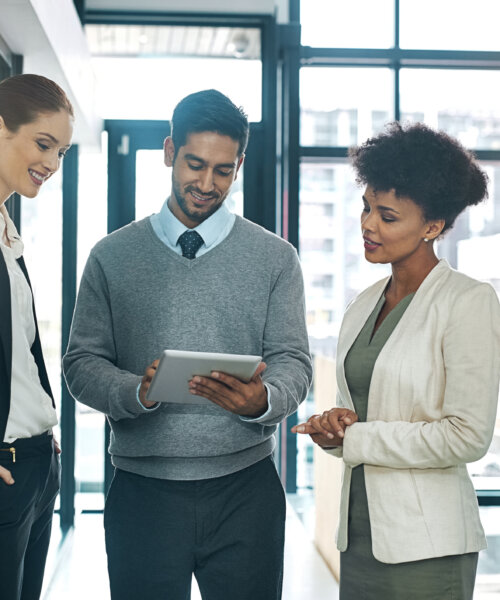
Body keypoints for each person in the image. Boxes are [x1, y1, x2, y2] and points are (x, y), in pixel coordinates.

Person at [63, 89, 312, 600]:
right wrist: (138, 393)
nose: (205, 184)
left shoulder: (275, 258)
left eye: (223, 170)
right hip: (143, 491)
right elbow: (81, 363)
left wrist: (263, 401)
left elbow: (293, 361)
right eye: (195, 164)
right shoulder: (112, 256)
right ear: (169, 150)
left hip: (246, 489)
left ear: (240, 164)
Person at [293, 122, 500, 600]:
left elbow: (468, 436)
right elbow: (359, 416)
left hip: (427, 545)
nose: (367, 225)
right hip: (360, 536)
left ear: (432, 227)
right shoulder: (362, 302)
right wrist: (335, 429)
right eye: (366, 208)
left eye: (387, 216)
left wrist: (358, 436)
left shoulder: (468, 302)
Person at [0, 73, 74, 600]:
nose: (51, 163)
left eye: (62, 152)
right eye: (43, 144)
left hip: (37, 462)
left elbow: (21, 352)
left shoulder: (7, 230)